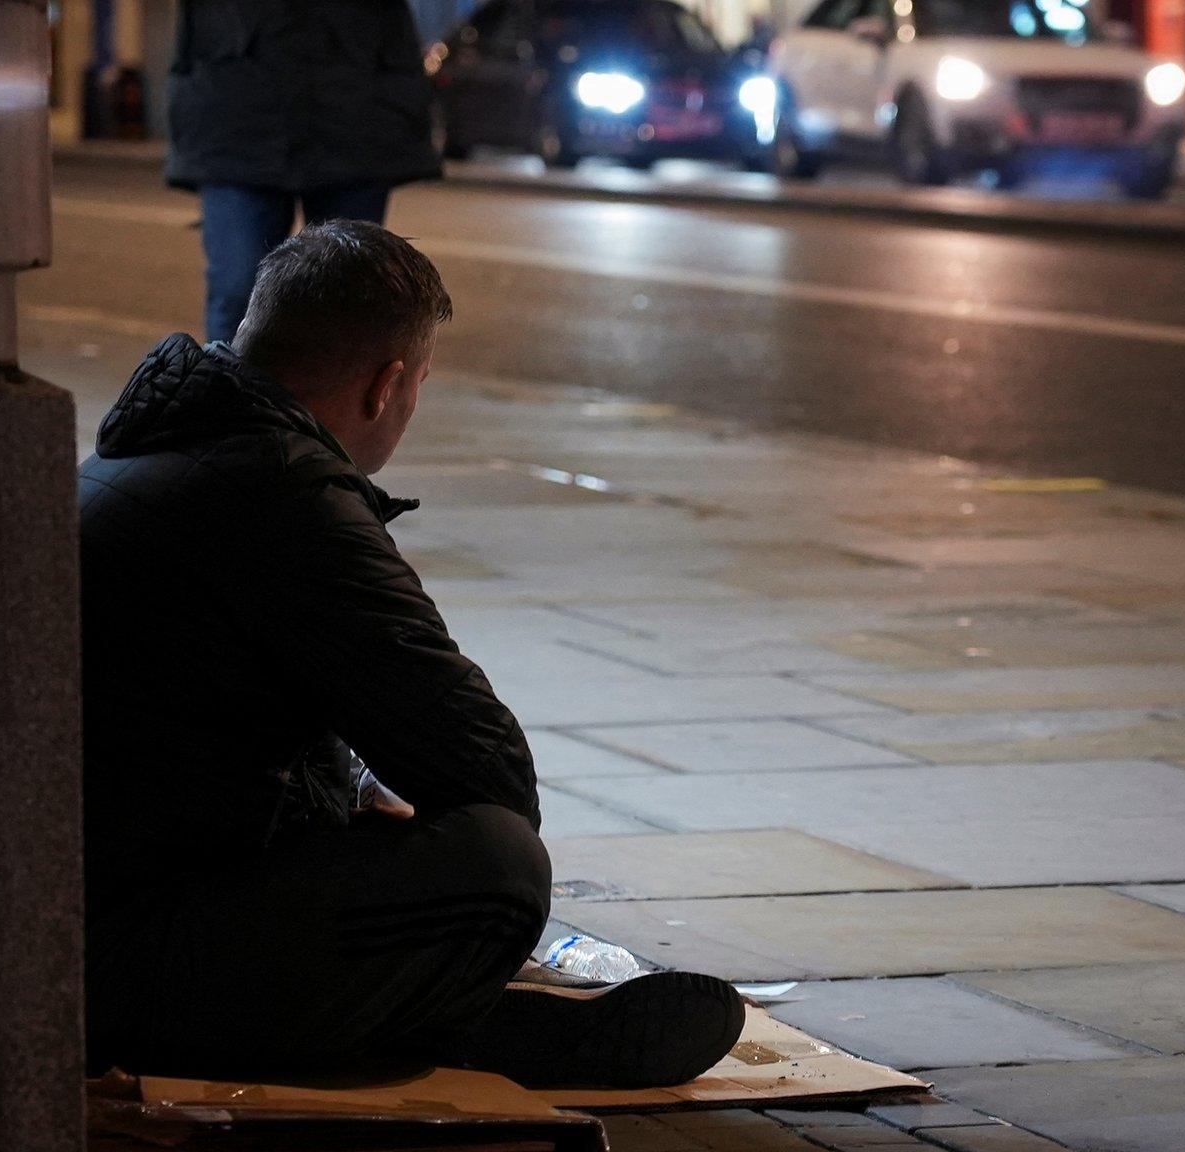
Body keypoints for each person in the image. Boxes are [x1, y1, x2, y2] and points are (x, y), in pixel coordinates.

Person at [77, 220, 746, 1086]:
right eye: (421, 383)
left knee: (388, 833)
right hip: (127, 962)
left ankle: (445, 1024)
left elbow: (205, 719)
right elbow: (484, 765)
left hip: (80, 913)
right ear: (388, 384)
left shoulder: (144, 456)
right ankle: (456, 1031)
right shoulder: (283, 494)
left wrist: (354, 789)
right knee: (496, 865)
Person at [166, 0, 443, 343]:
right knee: (238, 291)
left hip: (354, 115)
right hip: (235, 113)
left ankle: (333, 397)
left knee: (347, 296)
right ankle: (233, 396)